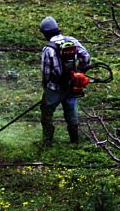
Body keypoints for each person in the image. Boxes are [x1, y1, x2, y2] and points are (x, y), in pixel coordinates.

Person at [39, 16, 90, 145]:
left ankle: (47, 141)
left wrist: (45, 86)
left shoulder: (48, 49)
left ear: (45, 34)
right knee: (71, 112)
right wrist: (79, 72)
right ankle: (74, 140)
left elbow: (46, 72)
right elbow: (85, 56)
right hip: (71, 86)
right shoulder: (71, 41)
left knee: (46, 111)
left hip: (54, 87)